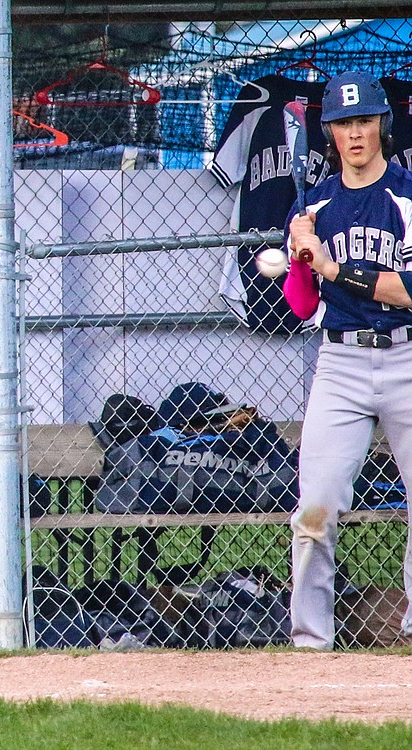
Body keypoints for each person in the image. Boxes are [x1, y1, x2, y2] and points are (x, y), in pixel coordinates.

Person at [282, 71, 412, 649]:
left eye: (364, 121)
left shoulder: (407, 197)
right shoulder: (316, 205)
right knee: (315, 510)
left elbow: (409, 291)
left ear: (382, 124)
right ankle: (311, 644)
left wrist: (336, 269)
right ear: (329, 132)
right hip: (340, 365)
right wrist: (300, 258)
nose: (355, 133)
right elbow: (302, 304)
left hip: (406, 355)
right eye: (342, 124)